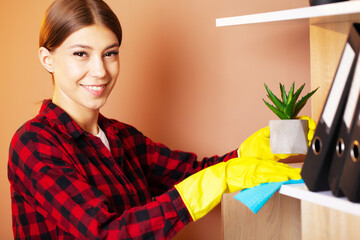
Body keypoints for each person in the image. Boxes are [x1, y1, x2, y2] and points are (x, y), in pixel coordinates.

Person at [8, 0, 305, 239]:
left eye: (110, 53)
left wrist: (244, 155)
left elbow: (194, 172)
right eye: (81, 54)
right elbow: (105, 233)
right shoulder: (34, 144)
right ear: (48, 59)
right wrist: (209, 184)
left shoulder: (121, 137)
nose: (100, 70)